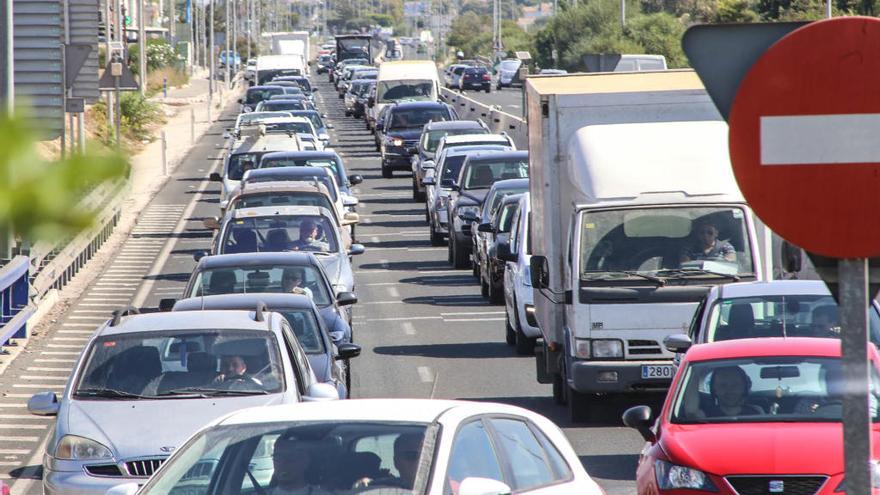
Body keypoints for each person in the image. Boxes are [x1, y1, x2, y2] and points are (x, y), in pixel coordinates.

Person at [683, 366, 762, 419]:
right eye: (723, 385)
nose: (729, 390)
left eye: (735, 385)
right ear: (714, 389)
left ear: (744, 387)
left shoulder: (756, 412)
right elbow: (691, 412)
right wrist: (695, 373)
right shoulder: (707, 414)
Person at [353, 432, 424, 490]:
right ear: (396, 462)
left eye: (424, 456)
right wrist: (362, 487)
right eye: (411, 455)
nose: (420, 461)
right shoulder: (380, 489)